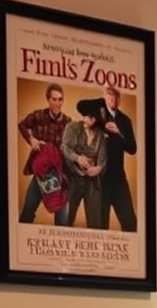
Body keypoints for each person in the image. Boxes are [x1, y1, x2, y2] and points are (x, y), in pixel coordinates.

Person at [18, 84, 71, 225]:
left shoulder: (68, 123)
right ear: (48, 99)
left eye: (60, 99)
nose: (57, 103)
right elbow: (22, 125)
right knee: (27, 213)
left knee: (62, 222)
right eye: (54, 99)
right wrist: (31, 140)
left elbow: (73, 149)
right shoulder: (39, 116)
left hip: (60, 177)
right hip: (41, 175)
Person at [91, 85, 137, 232]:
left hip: (118, 178)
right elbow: (80, 106)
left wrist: (118, 133)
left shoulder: (125, 120)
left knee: (130, 223)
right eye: (108, 97)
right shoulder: (96, 118)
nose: (111, 100)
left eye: (114, 98)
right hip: (100, 179)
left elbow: (132, 148)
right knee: (100, 226)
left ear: (119, 100)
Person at [61, 100, 107, 228]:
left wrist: (98, 169)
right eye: (86, 115)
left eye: (91, 117)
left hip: (92, 182)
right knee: (66, 220)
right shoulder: (73, 127)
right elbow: (65, 148)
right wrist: (78, 158)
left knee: (95, 224)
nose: (86, 119)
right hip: (72, 179)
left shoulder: (101, 135)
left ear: (96, 120)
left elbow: (103, 159)